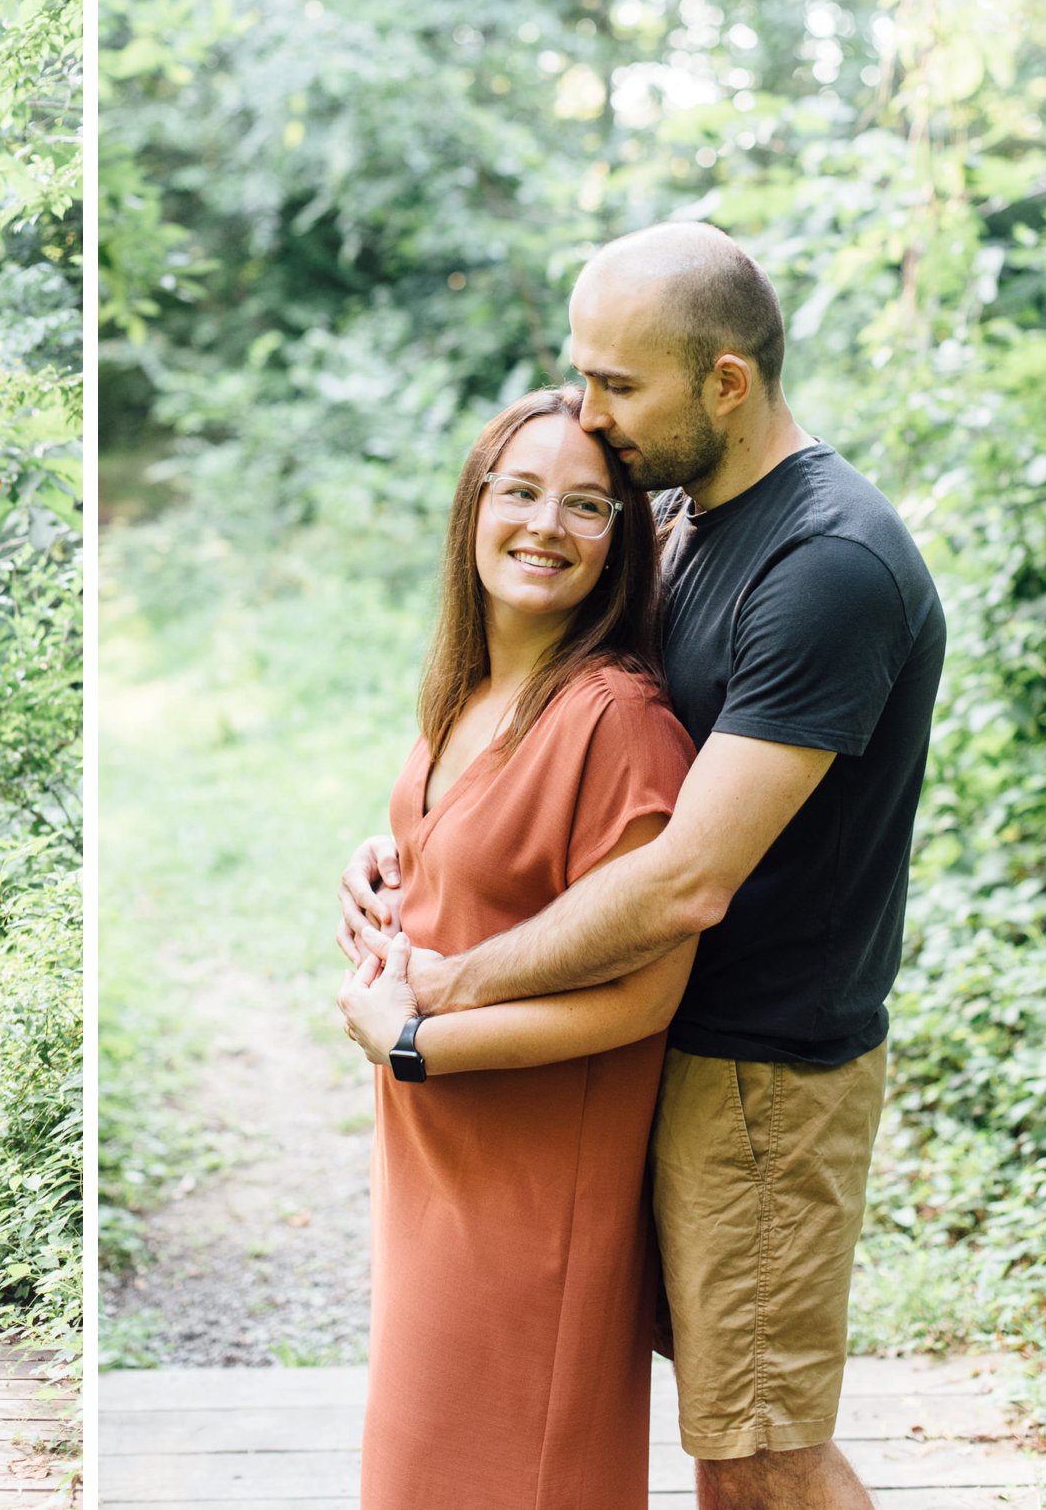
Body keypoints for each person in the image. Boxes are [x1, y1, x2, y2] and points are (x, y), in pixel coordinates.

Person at [339, 224, 946, 1510]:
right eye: (581, 374)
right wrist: (417, 845)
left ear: (724, 382)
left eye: (618, 386)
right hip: (641, 1051)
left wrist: (445, 987)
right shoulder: (685, 512)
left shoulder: (822, 561)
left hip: (757, 1072)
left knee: (759, 1447)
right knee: (710, 1427)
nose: (590, 415)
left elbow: (681, 877)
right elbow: (559, 736)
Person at [331, 385, 697, 1509]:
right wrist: (386, 859)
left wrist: (414, 1047)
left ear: (620, 540)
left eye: (588, 506)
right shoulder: (470, 690)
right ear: (472, 505)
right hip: (437, 1165)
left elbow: (645, 995)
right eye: (522, 490)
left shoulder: (619, 720)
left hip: (534, 1182)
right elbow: (470, 850)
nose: (546, 524)